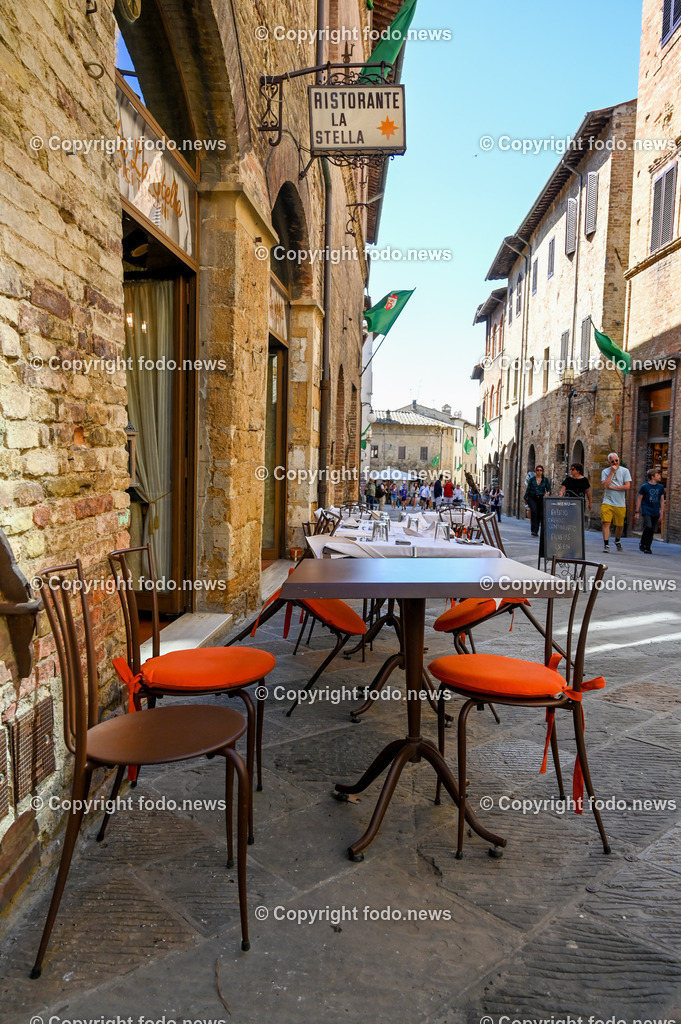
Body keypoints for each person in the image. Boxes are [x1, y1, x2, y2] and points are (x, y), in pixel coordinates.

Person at [601, 452, 631, 553]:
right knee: (606, 523)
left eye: (616, 460)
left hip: (620, 503)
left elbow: (627, 486)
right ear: (609, 462)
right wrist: (611, 473)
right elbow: (605, 485)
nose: (615, 463)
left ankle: (617, 540)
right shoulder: (605, 471)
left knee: (620, 525)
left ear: (618, 459)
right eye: (612, 461)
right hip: (607, 501)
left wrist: (613, 487)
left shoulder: (625, 471)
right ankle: (606, 544)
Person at [635, 467, 665, 553]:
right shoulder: (644, 487)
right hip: (646, 509)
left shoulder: (661, 487)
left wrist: (661, 512)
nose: (660, 476)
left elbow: (662, 500)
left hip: (656, 510)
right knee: (648, 526)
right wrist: (637, 511)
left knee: (652, 530)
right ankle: (642, 543)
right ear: (652, 476)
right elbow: (639, 499)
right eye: (658, 475)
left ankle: (648, 546)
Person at [524, 464, 551, 536]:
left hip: (541, 497)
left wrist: (547, 493)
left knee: (539, 514)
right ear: (535, 471)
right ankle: (533, 530)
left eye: (540, 470)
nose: (539, 472)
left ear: (542, 471)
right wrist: (525, 497)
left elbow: (548, 489)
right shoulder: (531, 480)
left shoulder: (545, 480)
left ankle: (536, 530)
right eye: (537, 470)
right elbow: (528, 489)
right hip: (532, 497)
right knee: (534, 511)